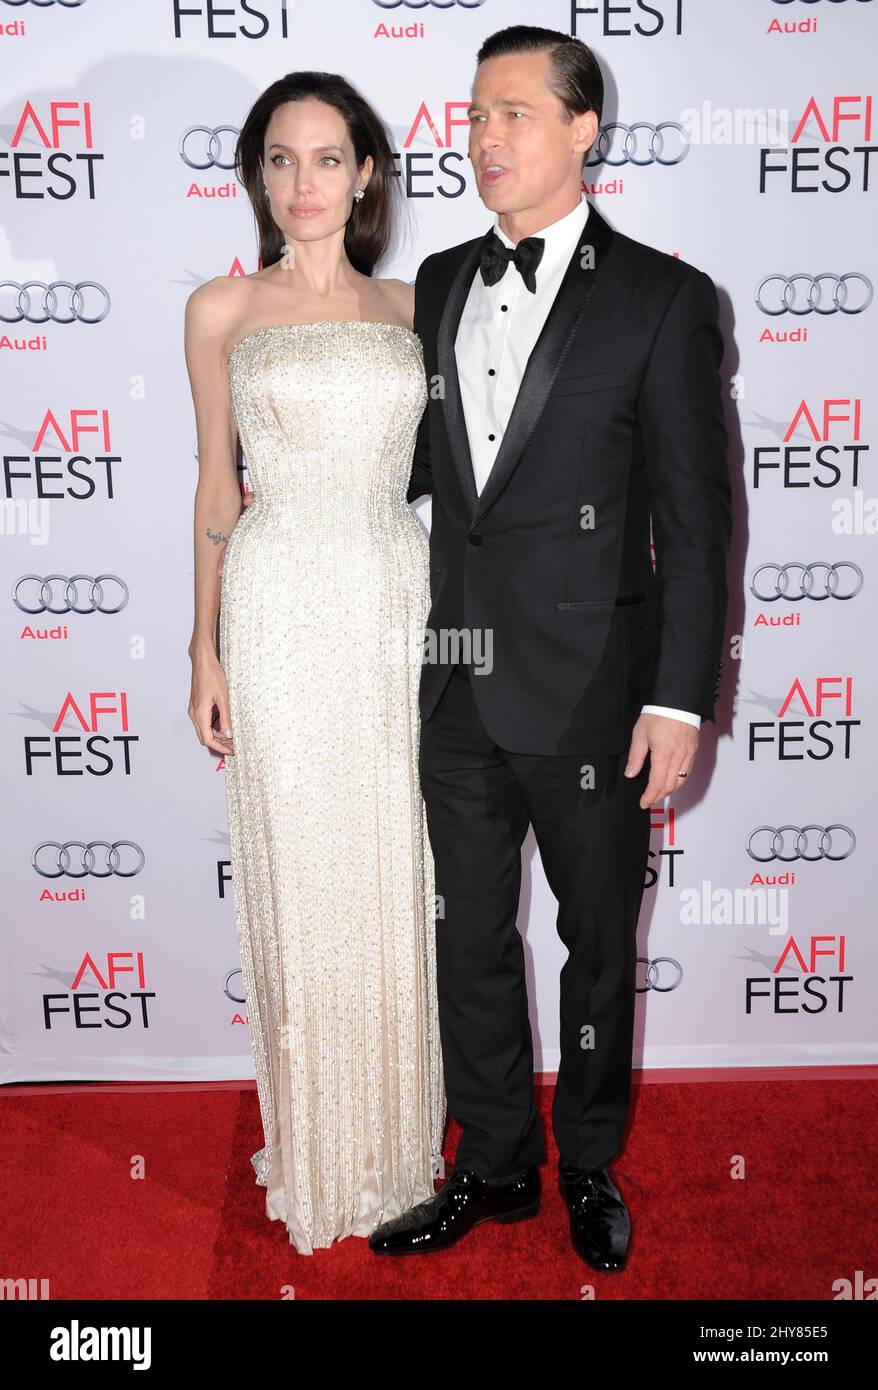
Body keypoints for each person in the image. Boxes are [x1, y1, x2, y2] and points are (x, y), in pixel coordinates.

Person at [368, 25, 732, 1271]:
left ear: (585, 130)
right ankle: (491, 1164)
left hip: (593, 692)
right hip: (455, 674)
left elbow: (695, 520)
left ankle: (584, 1160)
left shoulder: (663, 300)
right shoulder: (435, 285)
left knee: (590, 948)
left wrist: (678, 699)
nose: (483, 140)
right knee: (466, 934)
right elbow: (422, 471)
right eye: (473, 117)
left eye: (514, 114)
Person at [184, 71, 445, 1255]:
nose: (302, 183)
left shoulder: (413, 307)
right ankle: (320, 1144)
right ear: (255, 176)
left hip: (395, 601)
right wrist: (204, 642)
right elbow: (214, 486)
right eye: (279, 160)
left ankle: (395, 1147)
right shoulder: (219, 309)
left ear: (368, 172)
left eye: (326, 158)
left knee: (391, 865)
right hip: (280, 603)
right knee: (302, 875)